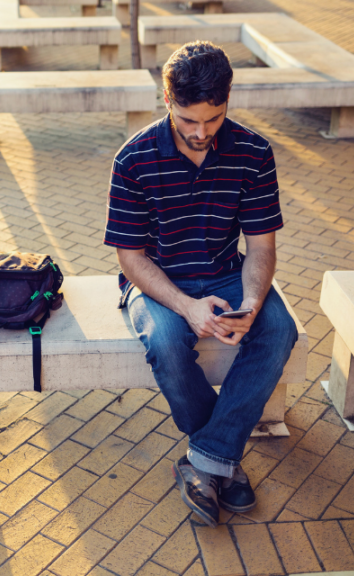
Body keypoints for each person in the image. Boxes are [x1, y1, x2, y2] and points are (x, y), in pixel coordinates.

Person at [103, 41, 298, 527]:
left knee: (279, 330)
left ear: (227, 101)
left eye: (213, 119)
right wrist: (188, 307)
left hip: (227, 271)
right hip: (159, 280)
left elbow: (260, 247)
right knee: (167, 341)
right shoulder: (133, 159)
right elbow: (130, 257)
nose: (201, 132)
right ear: (167, 101)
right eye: (189, 119)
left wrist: (252, 301)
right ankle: (221, 458)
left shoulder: (253, 152)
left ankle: (205, 460)